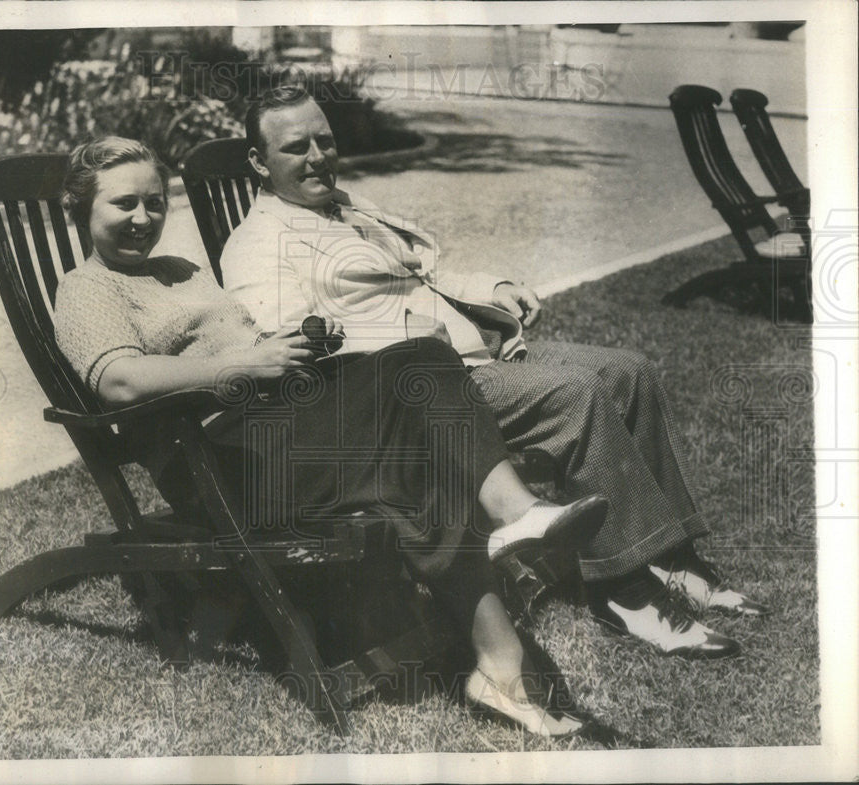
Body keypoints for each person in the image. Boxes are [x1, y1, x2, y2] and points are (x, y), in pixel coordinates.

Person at [52, 136, 612, 737]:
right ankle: (513, 522)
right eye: (123, 205)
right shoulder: (87, 289)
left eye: (154, 203)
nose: (143, 219)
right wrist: (239, 368)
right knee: (417, 379)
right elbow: (119, 382)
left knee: (420, 376)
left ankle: (501, 660)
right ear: (81, 210)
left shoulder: (180, 270)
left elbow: (242, 346)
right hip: (223, 465)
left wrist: (296, 348)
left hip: (277, 431)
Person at [220, 85, 770, 660]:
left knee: (628, 371)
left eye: (324, 141)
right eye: (295, 148)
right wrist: (403, 347)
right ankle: (624, 591)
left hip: (476, 357)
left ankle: (673, 560)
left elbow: (423, 274)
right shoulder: (257, 247)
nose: (317, 157)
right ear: (260, 162)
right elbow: (293, 350)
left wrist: (493, 288)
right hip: (426, 391)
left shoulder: (346, 209)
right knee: (575, 395)